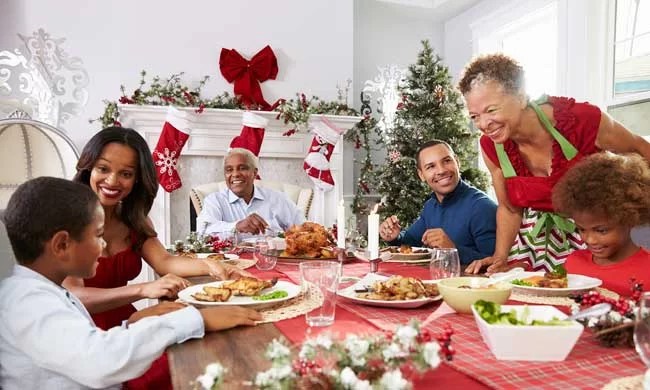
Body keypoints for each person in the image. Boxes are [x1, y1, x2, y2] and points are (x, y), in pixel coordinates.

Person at [0, 177, 261, 389]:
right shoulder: (27, 302)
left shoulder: (41, 290)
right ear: (62, 244)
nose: (104, 245)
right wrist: (199, 320)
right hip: (108, 380)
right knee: (203, 368)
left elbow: (80, 345)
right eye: (99, 236)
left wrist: (133, 324)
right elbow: (100, 363)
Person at [65, 127, 250, 389]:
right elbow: (75, 298)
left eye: (126, 174)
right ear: (88, 169)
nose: (113, 180)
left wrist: (212, 265)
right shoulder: (67, 219)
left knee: (199, 353)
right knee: (176, 368)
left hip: (128, 322)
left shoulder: (133, 220)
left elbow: (165, 262)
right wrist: (143, 289)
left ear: (138, 179)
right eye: (103, 169)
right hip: (89, 334)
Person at [459, 53, 650, 274]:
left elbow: (640, 149)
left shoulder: (581, 119)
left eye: (491, 110)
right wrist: (500, 257)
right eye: (474, 116)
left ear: (521, 97)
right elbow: (510, 209)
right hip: (531, 247)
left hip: (592, 239)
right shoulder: (491, 146)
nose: (483, 124)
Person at [379, 140, 497, 265]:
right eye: (431, 166)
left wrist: (452, 250)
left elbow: (495, 263)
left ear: (457, 162)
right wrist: (395, 237)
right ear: (421, 175)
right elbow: (411, 241)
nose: (441, 170)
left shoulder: (482, 207)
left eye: (447, 161)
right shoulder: (431, 206)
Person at [552, 153, 650, 296]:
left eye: (601, 230)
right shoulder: (573, 263)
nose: (589, 240)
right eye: (581, 229)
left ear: (629, 219)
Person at [196, 148, 306, 238]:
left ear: (254, 173)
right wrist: (237, 226)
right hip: (230, 263)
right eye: (229, 170)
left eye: (242, 168)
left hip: (272, 261)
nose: (235, 174)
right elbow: (202, 233)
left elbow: (304, 229)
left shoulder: (278, 198)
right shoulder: (214, 200)